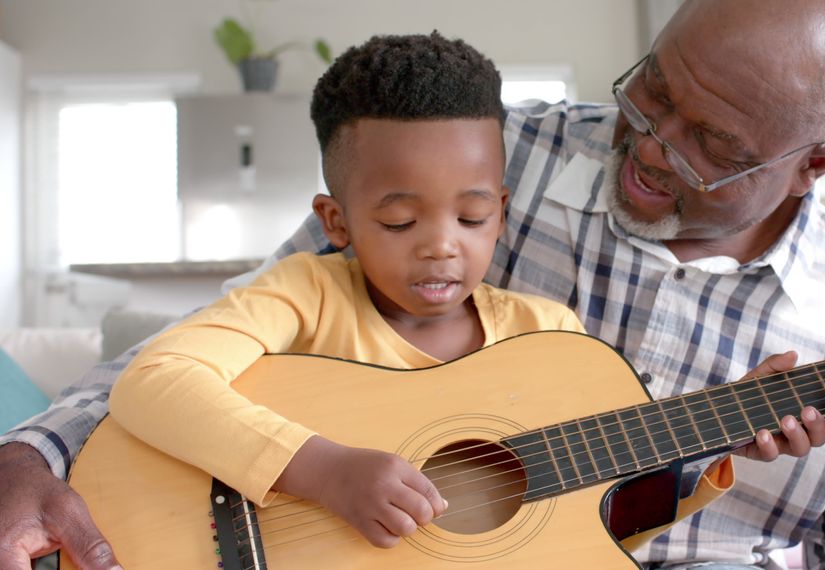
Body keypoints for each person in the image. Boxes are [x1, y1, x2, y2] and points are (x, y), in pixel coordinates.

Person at [0, 1, 825, 568]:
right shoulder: (480, 165)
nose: (646, 145)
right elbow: (224, 336)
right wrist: (35, 448)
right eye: (650, 92)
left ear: (814, 162)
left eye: (711, 144)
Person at [105, 31, 601, 550]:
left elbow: (575, 525)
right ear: (335, 222)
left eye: (471, 217)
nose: (441, 246)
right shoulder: (306, 293)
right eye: (399, 221)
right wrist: (322, 471)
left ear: (500, 212)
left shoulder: (550, 333)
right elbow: (152, 380)